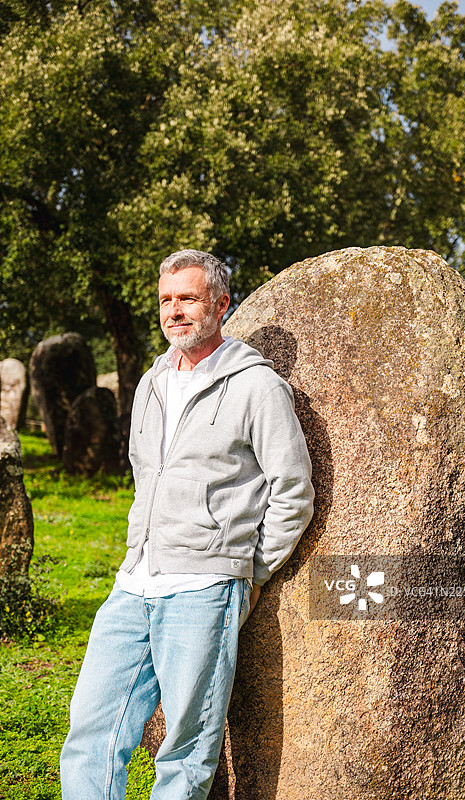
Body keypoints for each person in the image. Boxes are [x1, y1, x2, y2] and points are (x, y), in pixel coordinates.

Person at [60, 249, 314, 800]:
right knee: (91, 733)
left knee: (187, 750)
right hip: (134, 584)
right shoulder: (151, 383)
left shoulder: (258, 387)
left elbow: (293, 492)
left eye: (188, 298)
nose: (174, 311)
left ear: (220, 304)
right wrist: (137, 551)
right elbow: (142, 473)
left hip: (204, 591)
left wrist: (245, 570)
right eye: (166, 300)